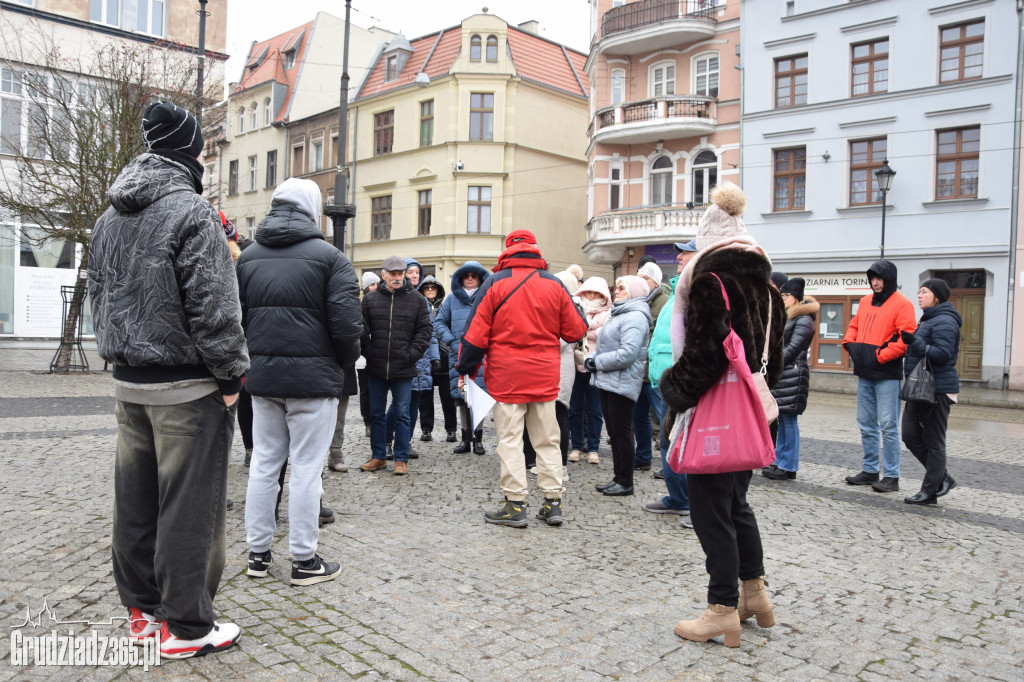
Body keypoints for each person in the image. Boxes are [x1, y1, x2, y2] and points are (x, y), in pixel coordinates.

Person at [89, 101, 248, 658]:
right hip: (186, 384)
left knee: (134, 498)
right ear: (188, 150)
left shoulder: (110, 216)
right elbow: (215, 307)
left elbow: (99, 296)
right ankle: (187, 627)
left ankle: (142, 611)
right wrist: (231, 374)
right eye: (201, 146)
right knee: (190, 505)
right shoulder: (192, 212)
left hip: (128, 381)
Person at [660, 182, 784, 648]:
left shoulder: (710, 281)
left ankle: (720, 610)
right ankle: (755, 595)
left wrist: (675, 392)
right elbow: (776, 357)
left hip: (715, 414)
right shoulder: (768, 286)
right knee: (736, 504)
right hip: (755, 408)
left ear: (708, 242)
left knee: (711, 511)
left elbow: (705, 355)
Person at [237, 177, 361, 587]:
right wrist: (343, 366)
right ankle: (304, 560)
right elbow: (347, 325)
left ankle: (257, 553)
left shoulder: (248, 257)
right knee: (308, 469)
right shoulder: (331, 258)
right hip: (313, 380)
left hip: (263, 378)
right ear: (313, 208)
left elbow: (234, 320)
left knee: (264, 463)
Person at [456, 230, 588, 528]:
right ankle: (553, 503)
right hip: (544, 376)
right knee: (547, 441)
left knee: (511, 442)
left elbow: (475, 335)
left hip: (506, 377)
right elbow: (576, 331)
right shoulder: (553, 284)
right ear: (535, 250)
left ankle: (515, 505)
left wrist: (466, 369)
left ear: (508, 251)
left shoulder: (495, 283)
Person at [842, 260, 917, 493]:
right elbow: (853, 327)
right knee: (866, 424)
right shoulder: (864, 302)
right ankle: (870, 470)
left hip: (886, 375)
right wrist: (850, 345)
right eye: (872, 278)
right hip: (865, 373)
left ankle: (892, 475)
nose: (875, 282)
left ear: (889, 279)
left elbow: (906, 338)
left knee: (888, 425)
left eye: (879, 278)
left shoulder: (902, 305)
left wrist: (880, 356)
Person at [359, 256, 433, 475]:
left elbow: (425, 330)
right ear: (384, 275)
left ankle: (401, 458)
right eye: (393, 274)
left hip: (404, 366)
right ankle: (378, 456)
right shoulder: (370, 300)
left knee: (402, 413)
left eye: (400, 274)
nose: (398, 278)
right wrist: (370, 352)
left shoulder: (417, 300)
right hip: (376, 365)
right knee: (376, 413)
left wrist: (411, 354)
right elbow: (362, 330)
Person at [644, 239, 698, 526]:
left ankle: (693, 504)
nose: (678, 256)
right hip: (666, 379)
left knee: (684, 443)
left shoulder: (696, 287)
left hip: (681, 381)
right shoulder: (678, 287)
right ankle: (678, 498)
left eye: (685, 252)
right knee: (668, 442)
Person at [586, 275, 652, 496]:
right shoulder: (620, 313)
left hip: (621, 382)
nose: (617, 290)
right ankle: (618, 477)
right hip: (609, 380)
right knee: (614, 433)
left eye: (622, 288)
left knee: (622, 433)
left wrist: (596, 362)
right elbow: (607, 346)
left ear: (634, 291)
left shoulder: (635, 317)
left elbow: (627, 354)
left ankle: (626, 482)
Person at [900, 279, 961, 505]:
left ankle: (930, 491)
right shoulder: (929, 319)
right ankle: (942, 478)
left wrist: (914, 342)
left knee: (934, 441)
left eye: (924, 292)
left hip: (937, 389)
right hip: (919, 388)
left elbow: (942, 354)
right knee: (910, 435)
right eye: (919, 291)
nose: (919, 295)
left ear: (937, 296)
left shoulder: (945, 320)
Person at [523, 270, 579, 475]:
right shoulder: (557, 305)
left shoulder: (570, 307)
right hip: (547, 366)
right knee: (542, 417)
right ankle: (543, 461)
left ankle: (561, 465)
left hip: (559, 368)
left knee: (558, 416)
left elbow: (564, 339)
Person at [763, 277, 818, 480]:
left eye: (786, 295)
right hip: (783, 375)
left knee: (789, 421)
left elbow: (794, 348)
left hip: (793, 374)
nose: (783, 298)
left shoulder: (803, 319)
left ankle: (789, 465)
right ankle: (779, 462)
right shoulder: (787, 317)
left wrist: (773, 361)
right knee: (782, 419)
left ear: (795, 297)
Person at [435, 261, 491, 455]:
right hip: (458, 353)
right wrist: (451, 341)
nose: (469, 279)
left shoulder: (487, 298)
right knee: (462, 396)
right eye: (466, 275)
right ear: (461, 279)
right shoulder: (451, 300)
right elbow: (440, 322)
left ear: (479, 279)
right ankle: (466, 439)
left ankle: (479, 439)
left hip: (481, 354)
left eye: (473, 276)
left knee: (479, 397)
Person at [568, 277, 612, 465]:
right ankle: (576, 446)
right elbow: (572, 332)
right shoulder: (575, 308)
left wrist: (586, 332)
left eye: (596, 293)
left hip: (596, 366)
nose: (592, 296)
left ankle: (593, 448)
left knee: (595, 410)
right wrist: (590, 333)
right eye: (589, 292)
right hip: (575, 365)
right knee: (575, 408)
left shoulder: (610, 313)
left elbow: (605, 335)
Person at [633, 261, 671, 471]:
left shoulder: (664, 301)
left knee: (664, 419)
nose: (642, 281)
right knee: (640, 417)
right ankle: (643, 457)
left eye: (646, 278)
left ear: (655, 282)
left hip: (656, 371)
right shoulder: (640, 301)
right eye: (639, 277)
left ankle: (669, 467)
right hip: (640, 370)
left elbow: (655, 333)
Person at [418, 276, 458, 442]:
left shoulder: (445, 306)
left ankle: (451, 430)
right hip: (425, 358)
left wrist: (448, 347)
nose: (429, 290)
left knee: (448, 399)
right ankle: (426, 429)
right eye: (426, 287)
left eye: (432, 287)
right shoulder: (419, 306)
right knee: (424, 398)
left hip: (444, 358)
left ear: (438, 289)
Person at [356, 272, 380, 436]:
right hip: (363, 357)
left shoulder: (383, 303)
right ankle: (368, 422)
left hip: (379, 356)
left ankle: (378, 420)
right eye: (371, 285)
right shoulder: (359, 306)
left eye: (377, 284)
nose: (375, 288)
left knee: (379, 390)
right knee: (365, 391)